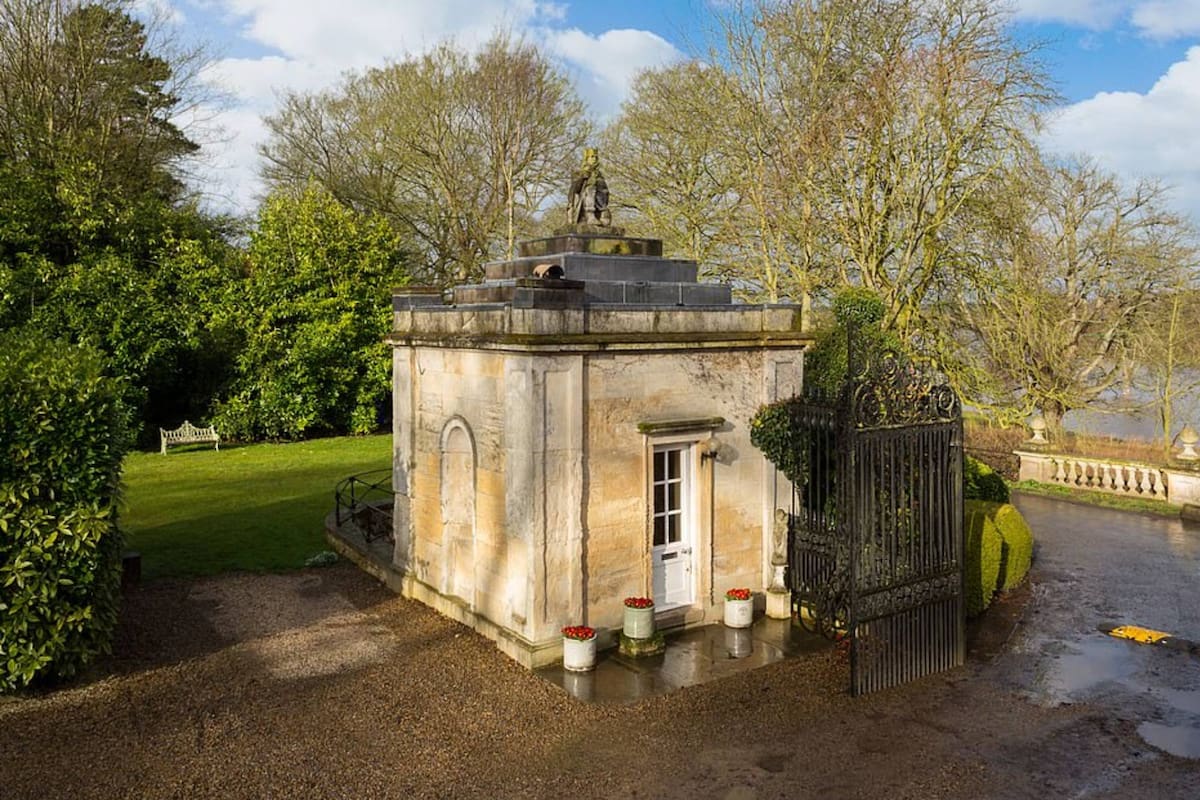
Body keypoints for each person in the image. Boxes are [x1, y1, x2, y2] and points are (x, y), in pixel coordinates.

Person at [567, 148, 611, 227]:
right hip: (585, 200)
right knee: (590, 188)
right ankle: (590, 214)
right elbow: (574, 189)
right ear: (587, 159)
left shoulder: (599, 174)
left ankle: (602, 212)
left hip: (599, 200)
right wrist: (582, 178)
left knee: (601, 188)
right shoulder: (579, 173)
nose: (594, 159)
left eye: (595, 157)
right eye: (592, 157)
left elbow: (605, 190)